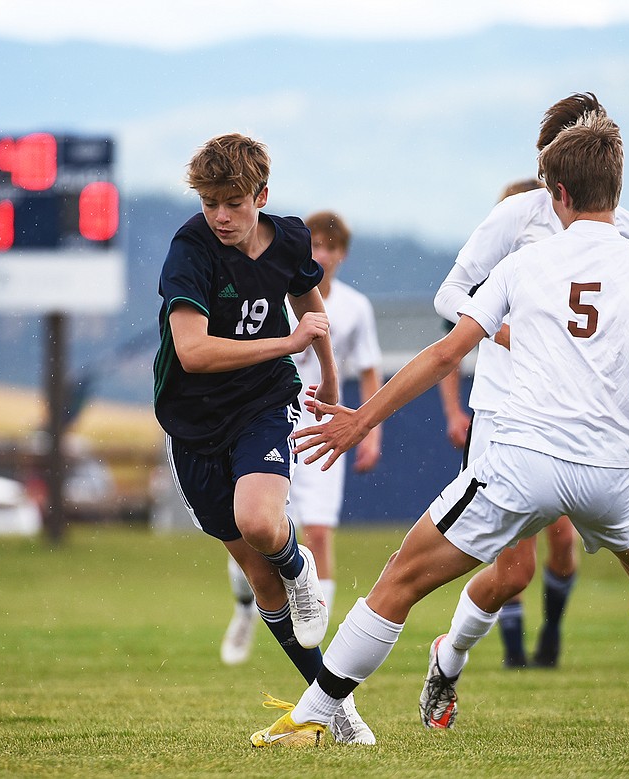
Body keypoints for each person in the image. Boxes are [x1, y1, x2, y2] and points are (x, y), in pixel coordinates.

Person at [250, 110, 629, 747]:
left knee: (402, 579)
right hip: (611, 471)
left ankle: (311, 715)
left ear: (557, 196)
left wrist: (362, 419)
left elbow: (445, 354)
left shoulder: (525, 266)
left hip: (521, 463)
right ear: (617, 190)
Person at [432, 94, 629, 733]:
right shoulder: (517, 217)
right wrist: (504, 334)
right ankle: (450, 656)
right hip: (508, 413)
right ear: (550, 158)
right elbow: (450, 293)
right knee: (511, 573)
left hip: (593, 419)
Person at [152, 132, 372, 744]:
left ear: (261, 195)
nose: (220, 216)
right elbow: (192, 353)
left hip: (263, 403)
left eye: (233, 202)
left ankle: (299, 567)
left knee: (259, 521)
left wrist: (327, 375)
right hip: (192, 424)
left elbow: (310, 305)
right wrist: (290, 343)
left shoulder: (292, 238)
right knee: (257, 572)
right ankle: (336, 708)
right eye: (209, 203)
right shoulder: (190, 251)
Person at [221, 210, 384, 667]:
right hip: (270, 419)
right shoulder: (272, 288)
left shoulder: (354, 307)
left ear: (342, 255)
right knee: (254, 531)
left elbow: (370, 368)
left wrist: (369, 428)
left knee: (318, 532)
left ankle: (320, 643)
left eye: (331, 248)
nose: (322, 256)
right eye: (315, 246)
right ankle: (244, 609)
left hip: (320, 425)